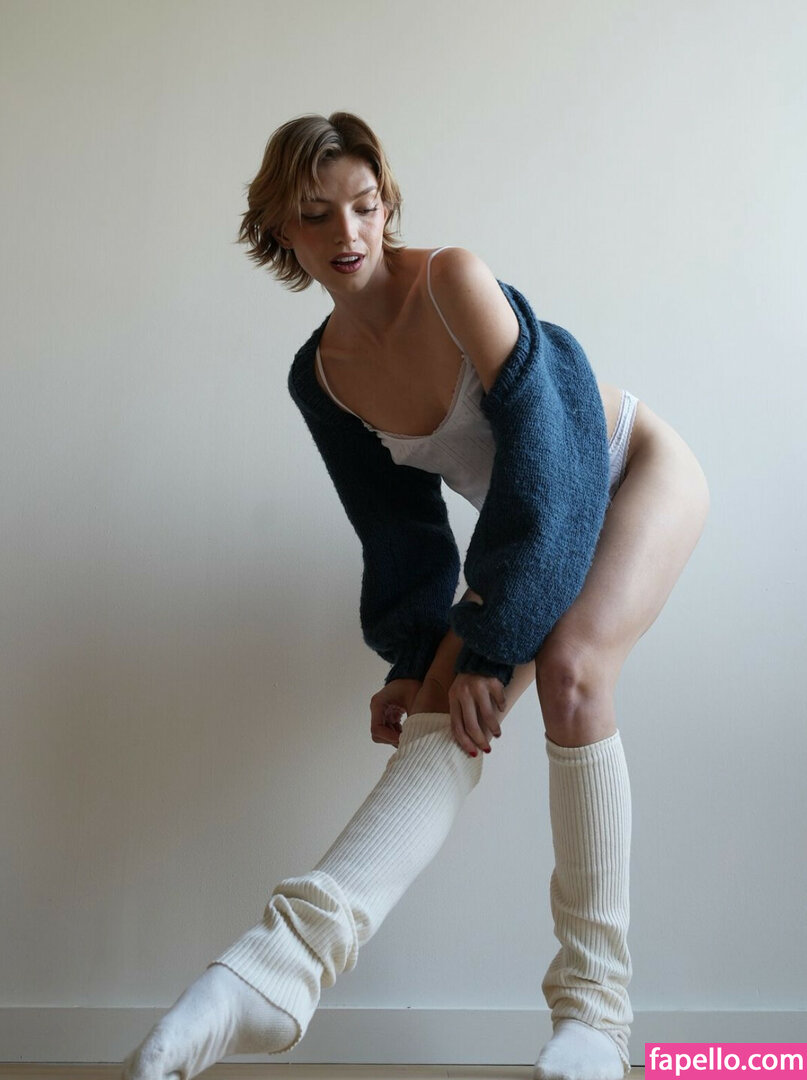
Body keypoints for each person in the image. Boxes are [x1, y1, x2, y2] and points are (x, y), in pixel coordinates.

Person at [122, 112, 710, 1080]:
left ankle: (597, 1017)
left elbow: (551, 460)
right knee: (439, 716)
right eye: (317, 215)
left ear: (387, 202)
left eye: (364, 205)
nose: (348, 233)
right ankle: (274, 974)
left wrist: (490, 642)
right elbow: (398, 530)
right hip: (529, 527)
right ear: (280, 229)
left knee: (572, 673)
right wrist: (417, 656)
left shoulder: (452, 281)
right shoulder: (321, 377)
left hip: (624, 472)